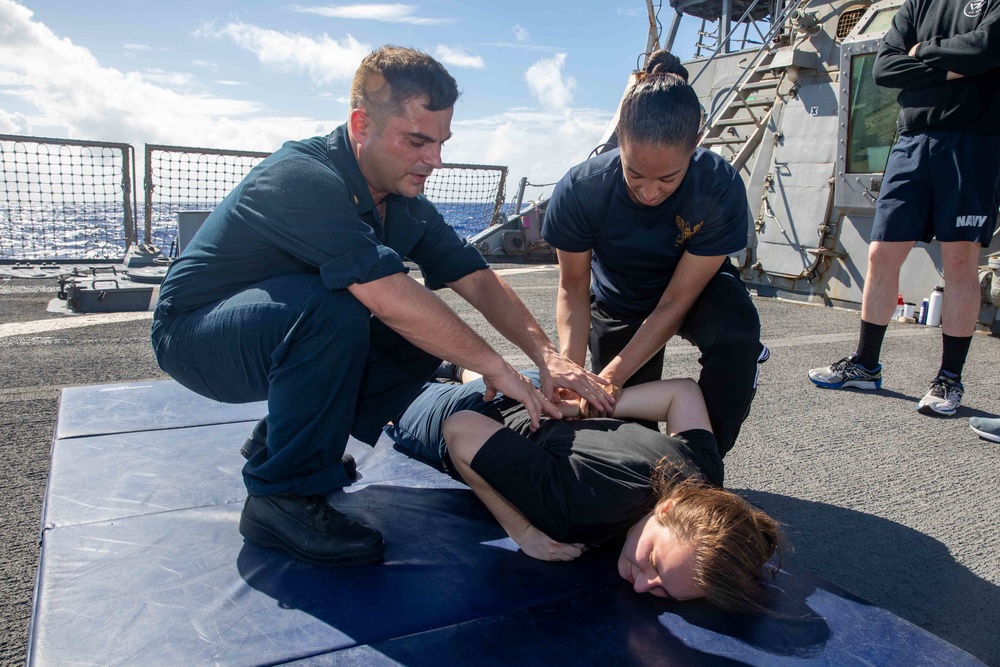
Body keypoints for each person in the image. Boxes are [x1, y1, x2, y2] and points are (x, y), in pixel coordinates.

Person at [150, 46, 613, 568]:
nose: (435, 160)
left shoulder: (403, 201)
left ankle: (281, 438)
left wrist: (546, 355)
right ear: (361, 125)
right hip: (196, 336)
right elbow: (389, 296)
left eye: (441, 142)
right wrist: (496, 367)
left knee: (415, 341)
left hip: (272, 330)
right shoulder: (301, 177)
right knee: (344, 311)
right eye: (417, 141)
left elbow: (477, 279)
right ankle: (279, 495)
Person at [385, 368, 783, 613]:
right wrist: (523, 532)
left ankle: (457, 367)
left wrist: (583, 408)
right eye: (655, 565)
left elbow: (683, 393)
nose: (643, 585)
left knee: (499, 379)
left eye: (664, 593)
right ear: (667, 510)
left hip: (537, 390)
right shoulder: (577, 508)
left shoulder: (704, 477)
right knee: (383, 397)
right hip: (473, 411)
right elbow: (462, 430)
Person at [541, 50, 767, 457]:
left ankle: (705, 462)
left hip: (693, 291)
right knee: (625, 426)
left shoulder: (719, 186)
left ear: (695, 145)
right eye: (634, 173)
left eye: (668, 179)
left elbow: (677, 301)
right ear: (619, 142)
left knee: (737, 333)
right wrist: (572, 373)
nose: (648, 192)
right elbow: (573, 287)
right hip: (619, 297)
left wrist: (614, 373)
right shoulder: (580, 189)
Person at [808, 0, 1000, 416]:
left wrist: (922, 52)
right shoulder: (918, 4)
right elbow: (884, 68)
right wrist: (955, 65)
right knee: (881, 252)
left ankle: (948, 379)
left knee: (960, 259)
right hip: (911, 139)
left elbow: (987, 49)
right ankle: (865, 364)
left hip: (972, 140)